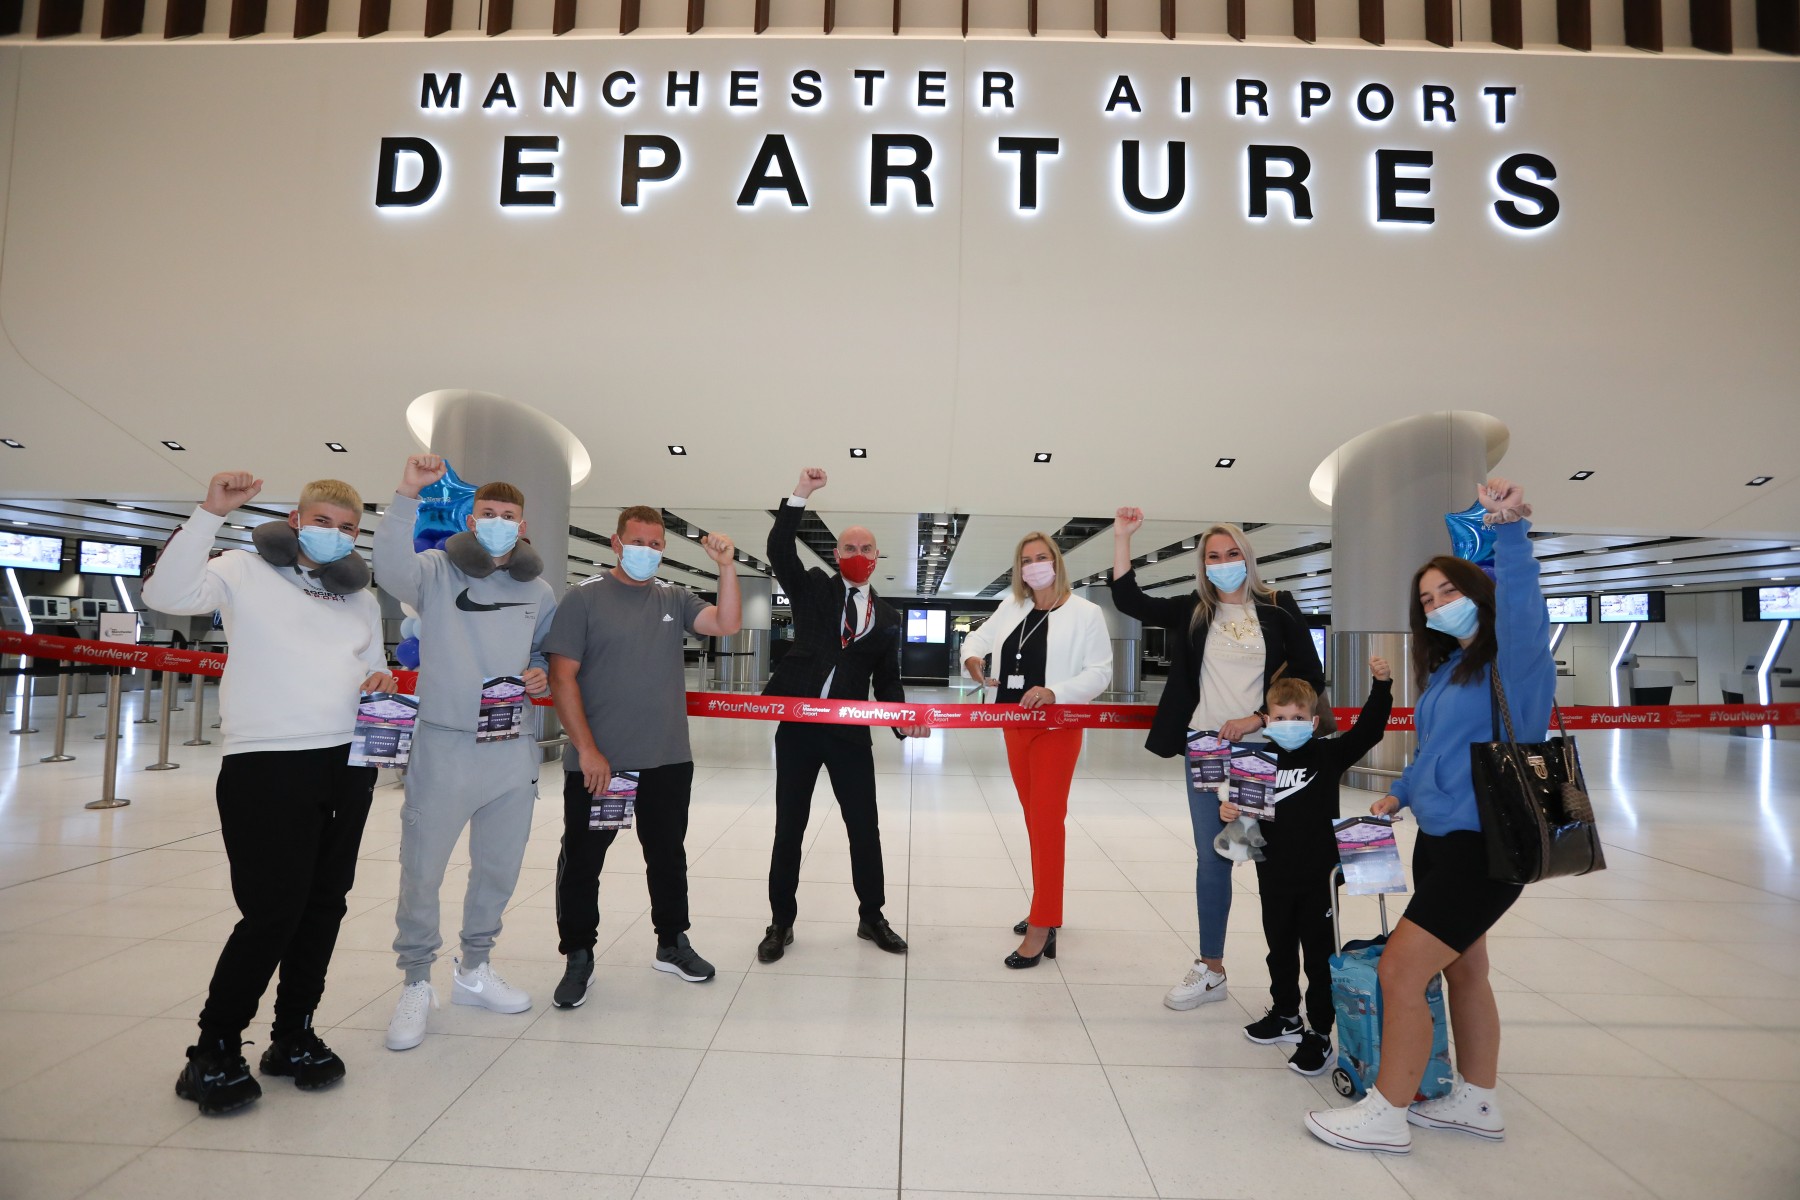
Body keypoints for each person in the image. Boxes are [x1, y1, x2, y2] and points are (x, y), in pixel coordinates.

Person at [1306, 477, 1549, 1154]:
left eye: (1449, 591)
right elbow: (1438, 751)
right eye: (1427, 599)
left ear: (1479, 594)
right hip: (1440, 841)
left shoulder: (1516, 658)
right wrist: (1401, 792)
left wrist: (1510, 529)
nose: (1438, 605)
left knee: (1399, 972)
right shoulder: (1452, 671)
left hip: (1486, 848)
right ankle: (1478, 1101)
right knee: (1465, 970)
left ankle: (1386, 1111)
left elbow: (1525, 607)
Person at [144, 470, 393, 1115]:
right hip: (268, 762)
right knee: (272, 910)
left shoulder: (358, 598)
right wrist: (208, 513)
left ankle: (292, 1035)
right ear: (295, 519)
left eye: (346, 529)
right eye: (321, 522)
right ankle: (214, 1049)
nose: (333, 536)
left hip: (347, 759)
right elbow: (166, 593)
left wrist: (382, 681)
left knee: (325, 903)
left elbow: (374, 665)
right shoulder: (243, 569)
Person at [1109, 509, 1328, 1009]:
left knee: (1268, 859)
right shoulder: (1195, 609)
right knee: (1214, 858)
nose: (1224, 563)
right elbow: (1131, 601)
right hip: (1205, 747)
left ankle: (1288, 985)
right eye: (1213, 556)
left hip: (1258, 749)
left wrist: (1258, 718)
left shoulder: (1278, 606)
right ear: (1203, 565)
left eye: (1232, 554)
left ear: (1247, 559)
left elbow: (1312, 677)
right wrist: (1122, 537)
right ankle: (1211, 968)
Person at [374, 454, 557, 1051]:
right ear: (472, 520)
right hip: (446, 744)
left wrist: (538, 674)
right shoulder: (436, 571)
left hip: (510, 748)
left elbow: (544, 655)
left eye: (510, 515)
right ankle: (416, 980)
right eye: (489, 513)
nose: (500, 522)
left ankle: (474, 969)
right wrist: (407, 494)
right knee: (422, 870)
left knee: (498, 869)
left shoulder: (538, 589)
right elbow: (387, 566)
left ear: (523, 526)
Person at [543, 505, 741, 1007]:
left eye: (656, 544)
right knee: (585, 861)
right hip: (602, 762)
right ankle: (579, 954)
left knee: (668, 855)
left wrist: (726, 567)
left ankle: (672, 942)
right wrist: (587, 750)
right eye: (638, 541)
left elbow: (727, 623)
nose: (646, 551)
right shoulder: (582, 599)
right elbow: (562, 678)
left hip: (667, 758)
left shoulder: (673, 597)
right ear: (616, 542)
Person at [758, 468, 927, 963]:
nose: (857, 556)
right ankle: (780, 921)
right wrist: (800, 496)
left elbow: (887, 680)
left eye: (866, 549)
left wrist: (902, 720)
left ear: (877, 559)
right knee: (790, 826)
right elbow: (779, 552)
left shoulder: (888, 618)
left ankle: (871, 915)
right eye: (849, 549)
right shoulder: (813, 590)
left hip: (850, 734)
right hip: (799, 730)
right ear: (837, 556)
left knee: (864, 827)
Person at [1223, 658, 1393, 1076]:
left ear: (1314, 721)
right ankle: (1286, 1014)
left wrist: (1382, 685)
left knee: (1318, 957)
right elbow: (1244, 831)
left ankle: (1319, 1031)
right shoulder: (1255, 764)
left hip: (1319, 879)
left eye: (1298, 717)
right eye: (1280, 717)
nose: (1289, 723)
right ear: (1267, 721)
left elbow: (1369, 731)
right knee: (1279, 950)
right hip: (1273, 877)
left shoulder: (1329, 754)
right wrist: (1231, 811)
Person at [960, 532, 1113, 968]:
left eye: (1041, 557)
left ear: (1057, 562)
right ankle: (1043, 904)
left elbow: (1100, 672)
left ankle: (1043, 924)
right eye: (1025, 559)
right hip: (1014, 725)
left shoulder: (1086, 612)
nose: (1033, 565)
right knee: (1034, 821)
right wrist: (973, 661)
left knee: (1047, 820)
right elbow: (976, 642)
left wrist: (1055, 691)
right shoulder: (1013, 607)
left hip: (1056, 725)